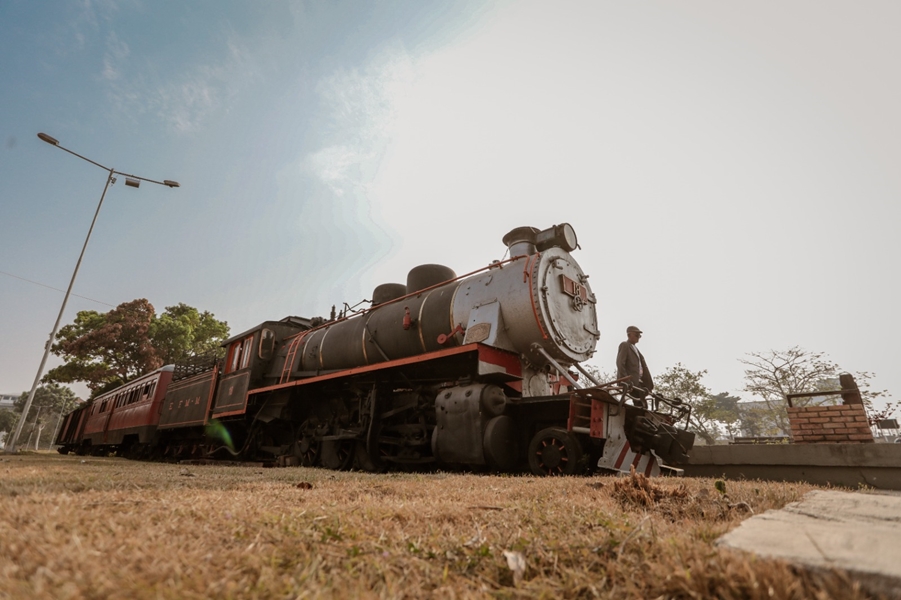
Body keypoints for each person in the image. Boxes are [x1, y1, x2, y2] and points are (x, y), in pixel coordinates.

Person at [616, 325, 653, 406]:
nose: (638, 337)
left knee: (643, 404)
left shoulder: (636, 349)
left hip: (638, 382)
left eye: (639, 336)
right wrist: (626, 380)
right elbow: (620, 363)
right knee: (640, 405)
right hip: (630, 382)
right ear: (629, 335)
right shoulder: (625, 345)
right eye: (636, 335)